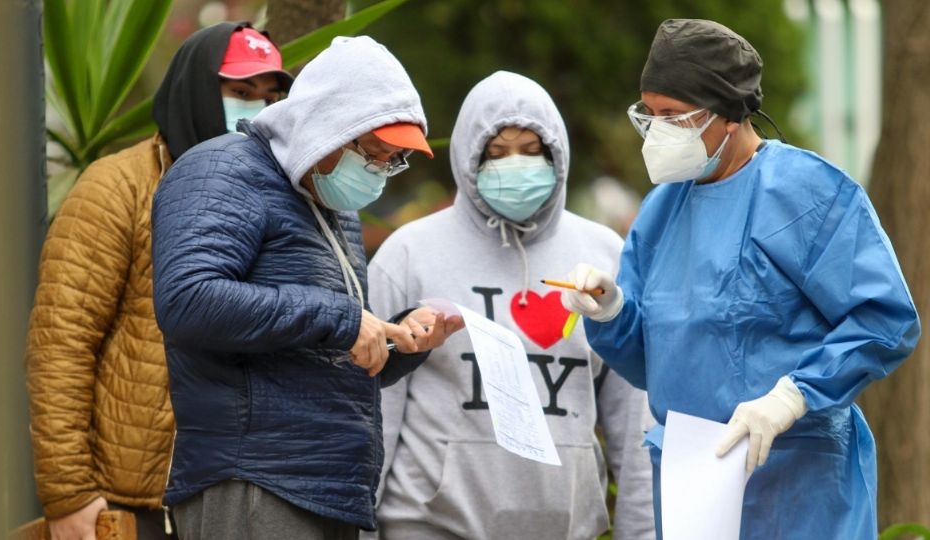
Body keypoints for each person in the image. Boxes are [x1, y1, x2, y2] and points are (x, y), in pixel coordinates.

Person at [560, 19, 920, 539]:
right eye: (649, 115)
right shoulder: (661, 212)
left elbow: (885, 318)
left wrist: (793, 396)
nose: (657, 131)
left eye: (672, 117)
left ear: (726, 114)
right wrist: (613, 312)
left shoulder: (805, 195)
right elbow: (657, 364)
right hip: (694, 490)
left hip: (800, 486)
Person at [149, 36, 464, 540]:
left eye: (392, 160)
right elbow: (188, 300)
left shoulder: (332, 205)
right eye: (373, 152)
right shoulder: (222, 169)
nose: (378, 171)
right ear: (325, 126)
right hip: (255, 478)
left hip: (327, 484)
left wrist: (395, 340)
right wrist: (342, 320)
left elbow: (317, 351)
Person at [25, 22, 291, 540]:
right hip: (132, 502)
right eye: (240, 93)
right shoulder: (117, 187)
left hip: (241, 496)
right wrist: (70, 494)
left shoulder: (280, 195)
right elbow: (61, 345)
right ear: (194, 87)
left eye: (270, 97)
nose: (255, 111)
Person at [364, 71, 655, 540]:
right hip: (429, 527)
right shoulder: (409, 254)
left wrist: (641, 531)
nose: (514, 165)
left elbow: (634, 417)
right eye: (496, 154)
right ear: (468, 159)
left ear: (556, 154)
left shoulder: (604, 255)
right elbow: (374, 410)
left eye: (530, 151)